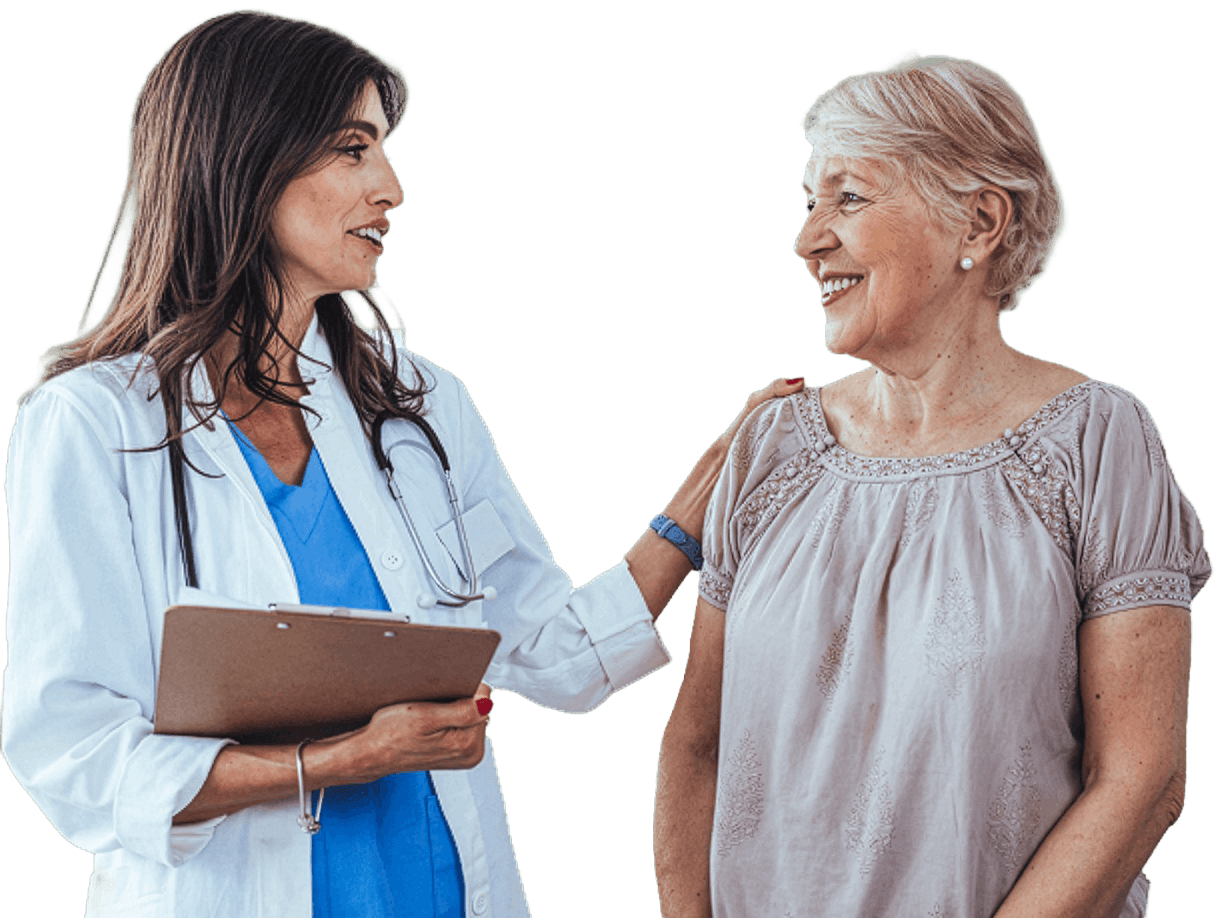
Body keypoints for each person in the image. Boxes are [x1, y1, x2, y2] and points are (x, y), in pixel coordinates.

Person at [0, 11, 801, 917]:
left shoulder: (417, 401)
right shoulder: (92, 423)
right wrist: (339, 763)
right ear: (245, 158)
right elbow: (73, 753)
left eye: (383, 150)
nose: (392, 187)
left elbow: (554, 653)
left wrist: (707, 493)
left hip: (440, 887)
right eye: (353, 150)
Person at [654, 52, 1209, 918]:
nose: (808, 241)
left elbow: (1141, 780)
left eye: (849, 198)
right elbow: (698, 747)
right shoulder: (771, 444)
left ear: (979, 222)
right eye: (808, 205)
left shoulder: (1099, 439)